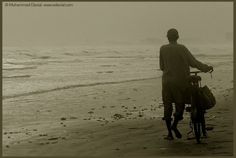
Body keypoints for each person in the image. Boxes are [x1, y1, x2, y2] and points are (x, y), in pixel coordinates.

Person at [159, 28, 213, 140]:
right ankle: (174, 125)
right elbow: (193, 62)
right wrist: (205, 68)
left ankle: (169, 134)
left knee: (167, 106)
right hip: (179, 82)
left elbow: (162, 66)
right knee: (180, 105)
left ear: (167, 37)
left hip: (166, 82)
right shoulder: (182, 48)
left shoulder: (162, 48)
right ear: (177, 37)